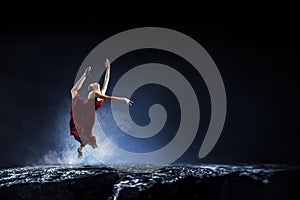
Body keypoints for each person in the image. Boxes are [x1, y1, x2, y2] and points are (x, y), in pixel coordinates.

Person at [69, 59, 133, 158]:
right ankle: (85, 75)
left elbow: (106, 79)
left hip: (88, 115)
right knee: (73, 90)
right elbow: (108, 98)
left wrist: (108, 68)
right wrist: (123, 99)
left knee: (85, 136)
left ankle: (80, 149)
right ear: (92, 88)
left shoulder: (101, 91)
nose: (95, 82)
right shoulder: (93, 93)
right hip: (83, 110)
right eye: (93, 83)